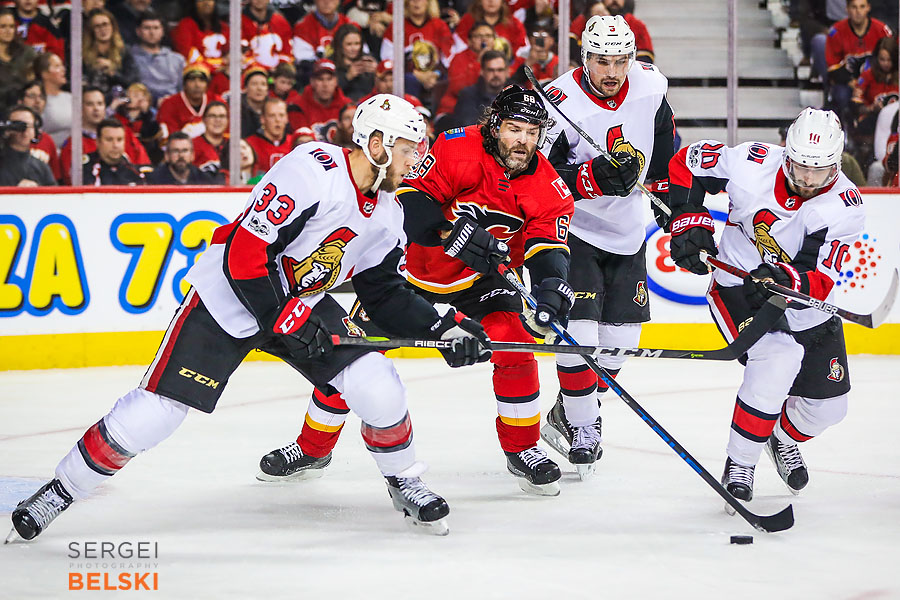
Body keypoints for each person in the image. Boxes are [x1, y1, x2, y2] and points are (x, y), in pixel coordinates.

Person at [6, 94, 490, 542]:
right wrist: (285, 319)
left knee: (376, 380)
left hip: (298, 301)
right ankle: (62, 489)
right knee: (154, 414)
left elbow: (383, 292)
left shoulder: (386, 213)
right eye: (410, 148)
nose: (418, 160)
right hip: (232, 295)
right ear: (378, 143)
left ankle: (404, 479)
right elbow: (244, 252)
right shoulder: (314, 167)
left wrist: (442, 327)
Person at [258, 86, 576, 497]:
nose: (524, 141)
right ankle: (312, 448)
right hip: (408, 275)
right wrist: (450, 232)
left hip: (481, 284)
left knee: (515, 345)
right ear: (495, 126)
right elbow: (407, 202)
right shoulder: (456, 145)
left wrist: (551, 291)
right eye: (515, 129)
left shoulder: (550, 188)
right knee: (351, 358)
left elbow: (548, 248)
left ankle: (523, 447)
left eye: (533, 132)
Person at [663, 108, 864, 506]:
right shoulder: (750, 162)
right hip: (737, 285)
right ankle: (740, 464)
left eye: (818, 170)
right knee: (778, 358)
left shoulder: (844, 205)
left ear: (836, 165)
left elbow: (819, 279)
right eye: (799, 166)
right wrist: (689, 220)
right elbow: (684, 162)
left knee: (829, 409)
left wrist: (785, 280)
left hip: (805, 304)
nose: (807, 179)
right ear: (785, 153)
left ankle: (780, 436)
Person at [537, 15, 674, 477]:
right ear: (585, 58)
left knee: (619, 346)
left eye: (621, 60)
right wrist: (589, 178)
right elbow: (537, 178)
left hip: (629, 230)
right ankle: (583, 425)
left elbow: (666, 144)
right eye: (601, 60)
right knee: (580, 339)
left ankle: (567, 410)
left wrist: (665, 190)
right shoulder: (558, 102)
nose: (613, 71)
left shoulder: (651, 87)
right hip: (575, 230)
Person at [60, 87, 151, 184]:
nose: (96, 109)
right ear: (80, 109)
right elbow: (70, 181)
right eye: (90, 104)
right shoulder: (73, 144)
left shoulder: (126, 134)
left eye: (100, 104)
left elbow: (144, 168)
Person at [825, 0, 892, 121]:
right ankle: (844, 126)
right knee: (841, 94)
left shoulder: (882, 30)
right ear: (847, 9)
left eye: (862, 7)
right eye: (854, 7)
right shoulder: (836, 31)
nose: (858, 12)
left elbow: (892, 59)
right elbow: (832, 66)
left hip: (877, 82)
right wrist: (853, 83)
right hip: (848, 84)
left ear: (868, 8)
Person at [82, 8, 139, 97]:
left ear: (113, 26)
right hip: (91, 98)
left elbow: (132, 82)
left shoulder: (124, 51)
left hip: (118, 98)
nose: (102, 29)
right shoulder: (83, 54)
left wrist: (112, 72)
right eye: (97, 26)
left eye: (105, 24)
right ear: (91, 30)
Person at [131, 11, 186, 102]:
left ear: (162, 31)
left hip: (174, 105)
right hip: (143, 105)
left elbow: (183, 90)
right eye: (147, 28)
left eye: (156, 28)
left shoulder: (178, 59)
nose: (152, 32)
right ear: (138, 31)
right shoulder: (130, 57)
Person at [157, 63, 222, 139]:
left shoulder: (217, 101)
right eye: (192, 80)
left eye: (202, 80)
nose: (197, 85)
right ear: (184, 84)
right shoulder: (169, 104)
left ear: (207, 84)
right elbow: (169, 137)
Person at [292, 59, 350, 137]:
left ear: (336, 81)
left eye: (329, 79)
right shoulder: (297, 107)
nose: (325, 85)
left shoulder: (347, 106)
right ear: (312, 81)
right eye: (320, 79)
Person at [0, 104, 56, 186]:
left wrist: (36, 190)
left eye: (29, 126)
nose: (24, 130)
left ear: (35, 131)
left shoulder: (41, 166)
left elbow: (54, 194)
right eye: (18, 125)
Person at [82, 118, 149, 185]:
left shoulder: (134, 171)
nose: (115, 145)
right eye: (109, 140)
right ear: (98, 142)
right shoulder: (85, 169)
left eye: (119, 140)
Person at [19, 81, 61, 182]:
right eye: (32, 96)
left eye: (41, 97)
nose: (37, 101)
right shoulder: (12, 138)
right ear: (20, 101)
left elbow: (56, 179)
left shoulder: (47, 140)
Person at [148, 131, 223, 184]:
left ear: (192, 155)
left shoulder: (204, 180)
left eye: (185, 150)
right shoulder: (154, 180)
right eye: (176, 151)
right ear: (167, 156)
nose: (181, 155)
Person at [171, 0, 230, 66]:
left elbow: (231, 53)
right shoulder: (184, 25)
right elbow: (190, 58)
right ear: (194, 3)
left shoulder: (224, 27)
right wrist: (222, 62)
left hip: (223, 72)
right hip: (197, 72)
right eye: (201, 0)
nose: (206, 2)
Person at [291, 0, 351, 64]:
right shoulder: (302, 27)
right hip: (315, 72)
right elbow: (304, 62)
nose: (327, 2)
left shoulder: (350, 25)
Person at [0, 8, 36, 114]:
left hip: (26, 109)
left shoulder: (26, 53)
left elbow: (35, 82)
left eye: (11, 26)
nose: (8, 31)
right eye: (2, 27)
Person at [33, 51, 72, 147]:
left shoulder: (70, 97)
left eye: (62, 65)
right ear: (45, 74)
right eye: (57, 66)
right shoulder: (38, 101)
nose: (63, 69)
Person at [244, 96, 292, 172]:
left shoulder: (294, 144)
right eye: (272, 115)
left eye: (281, 115)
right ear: (262, 119)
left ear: (287, 118)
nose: (277, 120)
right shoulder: (249, 145)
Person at [241, 0, 292, 69]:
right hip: (252, 73)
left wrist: (280, 69)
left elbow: (287, 51)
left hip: (278, 74)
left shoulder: (280, 22)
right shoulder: (240, 22)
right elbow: (243, 55)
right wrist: (263, 69)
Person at [193, 100, 229, 174]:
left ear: (228, 120)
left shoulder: (234, 145)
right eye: (213, 116)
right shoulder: (192, 145)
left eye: (222, 116)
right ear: (204, 119)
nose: (218, 120)